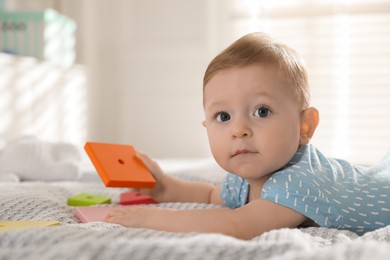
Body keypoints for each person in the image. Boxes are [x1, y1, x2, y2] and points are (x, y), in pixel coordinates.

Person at [105, 32, 390, 240]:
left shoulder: (299, 181)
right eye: (223, 117)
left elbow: (237, 225)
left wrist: (152, 217)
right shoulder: (250, 176)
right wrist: (163, 187)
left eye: (262, 111)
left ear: (305, 126)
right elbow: (210, 194)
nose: (238, 130)